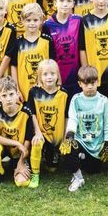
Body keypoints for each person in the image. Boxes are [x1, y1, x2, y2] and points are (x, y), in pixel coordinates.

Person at [25, 59, 67, 189]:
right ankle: (35, 174)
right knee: (36, 143)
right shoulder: (34, 92)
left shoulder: (64, 93)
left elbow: (66, 116)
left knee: (52, 168)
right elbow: (31, 114)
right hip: (41, 132)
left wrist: (65, 137)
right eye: (45, 74)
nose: (49, 77)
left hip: (56, 136)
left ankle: (51, 156)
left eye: (52, 74)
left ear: (57, 75)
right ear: (40, 77)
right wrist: (37, 132)